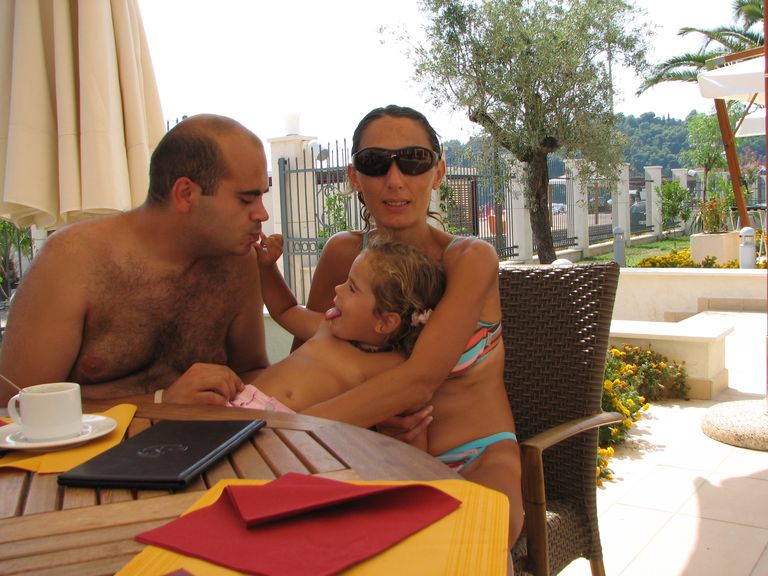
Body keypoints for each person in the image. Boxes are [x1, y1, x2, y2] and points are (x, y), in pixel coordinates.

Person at [295, 104, 523, 544]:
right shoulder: (343, 256)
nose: (395, 179)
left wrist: (281, 428)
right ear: (354, 177)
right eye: (375, 163)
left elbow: (420, 380)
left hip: (476, 458)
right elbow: (309, 367)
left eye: (414, 161)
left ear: (438, 172)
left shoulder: (469, 259)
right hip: (368, 456)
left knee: (472, 549)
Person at [0, 114, 271, 406]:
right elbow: (15, 405)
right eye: (246, 200)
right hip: (95, 438)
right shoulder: (73, 260)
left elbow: (250, 373)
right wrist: (161, 403)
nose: (262, 214)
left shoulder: (238, 263)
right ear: (185, 193)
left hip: (210, 434)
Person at [231, 234, 444, 446]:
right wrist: (268, 269)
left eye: (352, 288)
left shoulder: (391, 366)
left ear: (385, 322)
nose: (338, 288)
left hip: (280, 434)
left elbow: (415, 431)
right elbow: (285, 310)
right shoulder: (327, 327)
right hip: (238, 407)